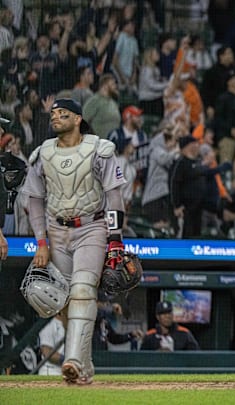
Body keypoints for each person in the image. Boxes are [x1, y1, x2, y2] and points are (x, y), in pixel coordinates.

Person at [22, 98, 128, 384]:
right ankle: (86, 365)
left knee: (83, 290)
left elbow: (114, 197)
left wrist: (115, 239)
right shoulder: (42, 154)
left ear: (78, 118)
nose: (55, 118)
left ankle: (73, 361)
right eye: (53, 114)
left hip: (91, 226)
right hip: (56, 229)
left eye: (63, 114)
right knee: (65, 300)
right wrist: (40, 242)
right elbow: (34, 201)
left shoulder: (99, 149)